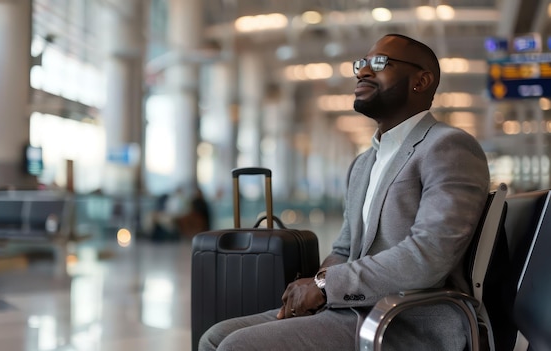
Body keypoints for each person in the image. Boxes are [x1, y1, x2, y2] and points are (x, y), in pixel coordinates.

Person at [198, 33, 490, 350]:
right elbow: (344, 247)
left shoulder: (447, 146)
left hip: (408, 322)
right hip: (351, 308)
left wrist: (326, 285)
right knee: (214, 337)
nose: (363, 71)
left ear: (421, 81)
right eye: (361, 64)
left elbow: (428, 255)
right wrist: (314, 287)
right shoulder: (364, 163)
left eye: (379, 63)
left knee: (237, 346)